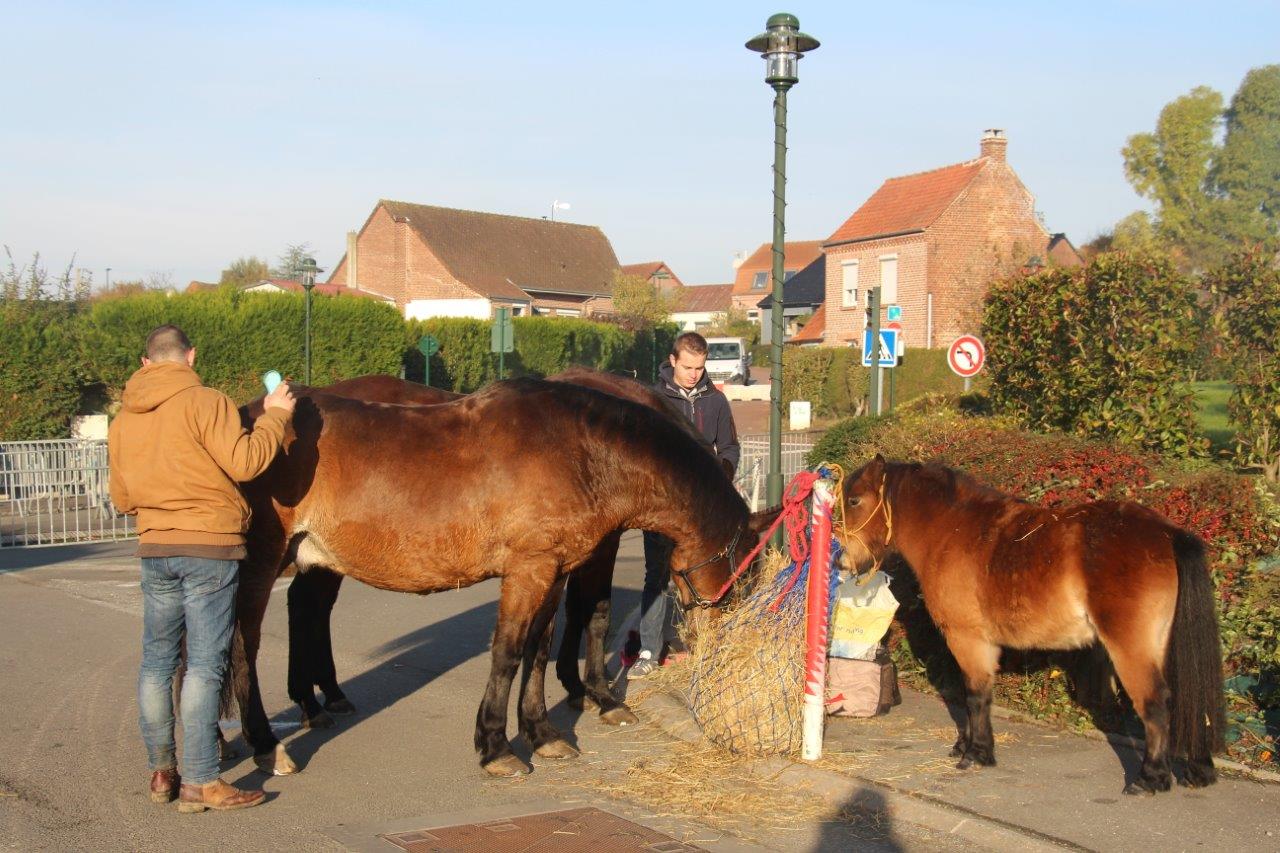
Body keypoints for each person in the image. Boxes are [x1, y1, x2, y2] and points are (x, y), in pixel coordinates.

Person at [107, 325, 295, 813]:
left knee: (157, 663)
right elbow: (246, 462)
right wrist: (274, 418)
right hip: (210, 547)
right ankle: (202, 783)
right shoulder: (205, 400)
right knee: (206, 667)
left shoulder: (123, 418)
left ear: (146, 363)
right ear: (190, 356)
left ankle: (162, 771)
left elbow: (122, 498)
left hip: (155, 548)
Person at [629, 331, 740, 679]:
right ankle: (649, 650)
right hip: (662, 508)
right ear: (673, 361)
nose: (694, 374)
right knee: (657, 576)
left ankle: (705, 646)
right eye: (688, 366)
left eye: (700, 367)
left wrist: (721, 476)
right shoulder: (653, 399)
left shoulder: (715, 401)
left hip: (703, 511)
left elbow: (730, 448)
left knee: (706, 575)